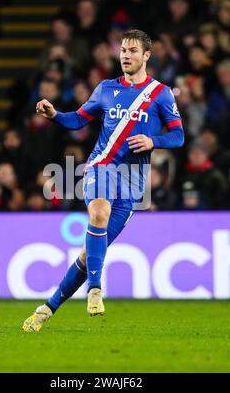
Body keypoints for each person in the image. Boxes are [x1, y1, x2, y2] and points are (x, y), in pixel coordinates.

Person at [22, 29, 184, 332]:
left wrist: (153, 141)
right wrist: (56, 114)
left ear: (147, 55)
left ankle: (46, 309)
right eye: (123, 50)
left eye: (133, 50)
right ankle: (95, 289)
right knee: (98, 210)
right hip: (101, 166)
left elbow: (178, 135)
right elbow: (78, 119)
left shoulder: (160, 93)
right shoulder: (106, 88)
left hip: (134, 183)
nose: (126, 55)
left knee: (89, 254)